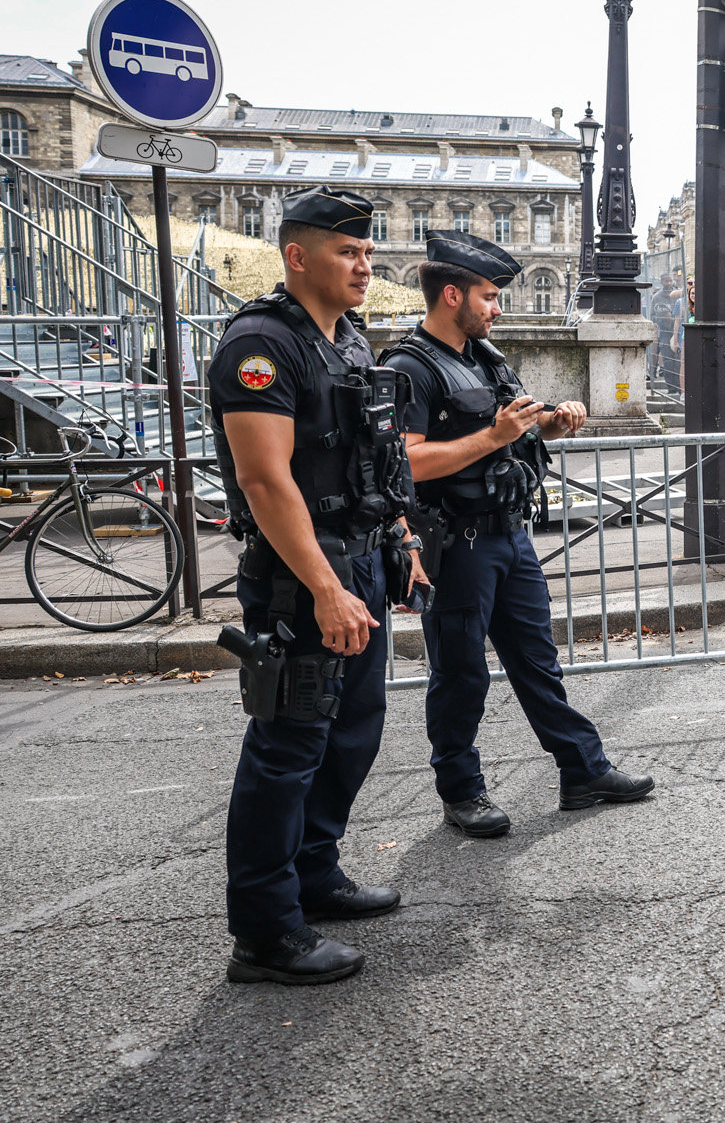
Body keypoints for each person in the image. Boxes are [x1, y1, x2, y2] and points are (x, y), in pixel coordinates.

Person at [209, 188, 429, 985]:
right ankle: (265, 933)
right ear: (297, 256)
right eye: (348, 252)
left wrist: (400, 538)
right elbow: (266, 483)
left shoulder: (351, 343)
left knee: (352, 732)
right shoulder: (261, 344)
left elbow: (377, 461)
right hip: (304, 580)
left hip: (362, 561)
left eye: (367, 252)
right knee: (287, 748)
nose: (364, 264)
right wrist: (328, 590)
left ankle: (314, 875)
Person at [384, 229, 653, 840]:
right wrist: (496, 437)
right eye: (488, 296)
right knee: (460, 674)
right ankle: (462, 792)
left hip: (509, 535)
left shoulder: (486, 357)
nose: (498, 307)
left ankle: (582, 771)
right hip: (455, 544)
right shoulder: (409, 367)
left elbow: (516, 435)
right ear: (451, 295)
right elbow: (408, 463)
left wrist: (554, 425)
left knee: (538, 662)